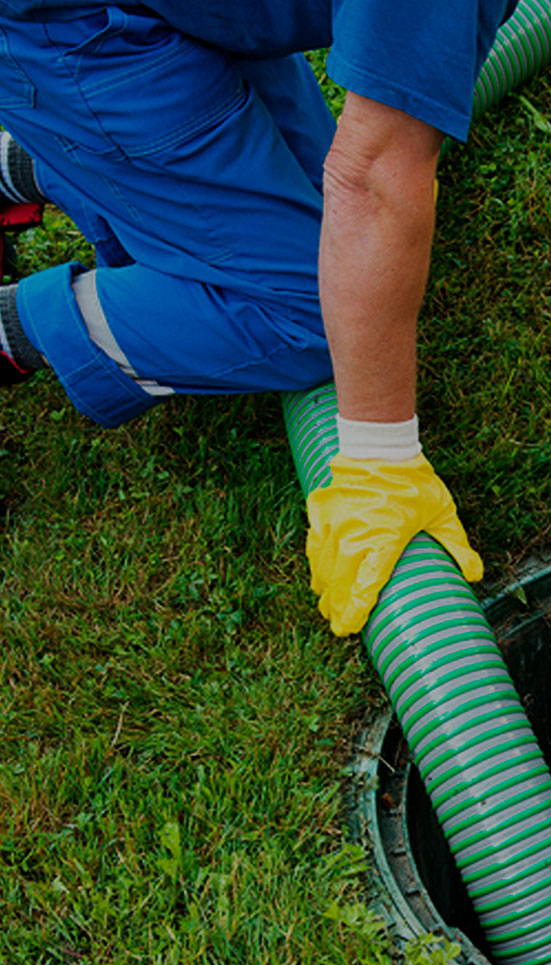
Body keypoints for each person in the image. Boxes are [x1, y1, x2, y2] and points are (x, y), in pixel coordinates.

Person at [0, 1, 516, 633]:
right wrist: (381, 463)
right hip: (74, 23)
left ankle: (44, 151)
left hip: (197, 17)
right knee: (307, 312)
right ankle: (12, 325)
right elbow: (374, 179)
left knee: (334, 245)